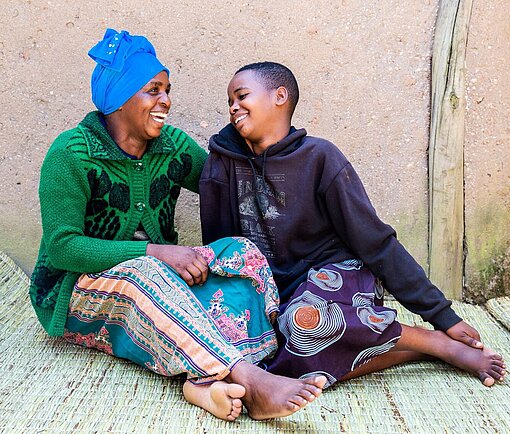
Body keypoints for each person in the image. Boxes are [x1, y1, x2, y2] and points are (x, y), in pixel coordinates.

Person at [29, 33, 326, 422]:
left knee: (241, 252)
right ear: (120, 96)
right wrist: (155, 251)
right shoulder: (71, 153)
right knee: (145, 273)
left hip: (157, 281)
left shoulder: (170, 145)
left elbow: (221, 179)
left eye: (167, 90)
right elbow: (63, 248)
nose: (165, 101)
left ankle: (204, 382)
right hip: (77, 290)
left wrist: (287, 172)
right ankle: (249, 378)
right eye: (153, 90)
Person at [199, 61, 506, 388]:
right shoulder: (222, 163)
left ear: (280, 96)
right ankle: (421, 351)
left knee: (307, 325)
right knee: (263, 358)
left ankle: (434, 341)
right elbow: (224, 249)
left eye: (241, 95)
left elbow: (376, 241)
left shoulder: (320, 157)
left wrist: (442, 314)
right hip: (274, 291)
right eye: (229, 101)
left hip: (336, 275)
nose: (234, 107)